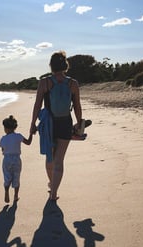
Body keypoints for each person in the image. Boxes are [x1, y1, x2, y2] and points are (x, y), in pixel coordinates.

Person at [30, 51, 82, 201]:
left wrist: (32, 124)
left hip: (49, 124)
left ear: (51, 66)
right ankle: (54, 193)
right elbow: (77, 106)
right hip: (65, 122)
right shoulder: (73, 83)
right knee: (59, 160)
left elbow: (37, 104)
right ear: (65, 65)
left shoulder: (44, 82)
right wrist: (79, 122)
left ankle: (51, 185)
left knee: (49, 158)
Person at [0, 115, 32, 203]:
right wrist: (31, 134)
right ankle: (16, 196)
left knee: (7, 177)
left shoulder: (3, 138)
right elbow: (28, 142)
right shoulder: (18, 136)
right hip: (17, 159)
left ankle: (6, 191)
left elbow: (3, 149)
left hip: (6, 159)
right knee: (16, 177)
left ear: (6, 128)